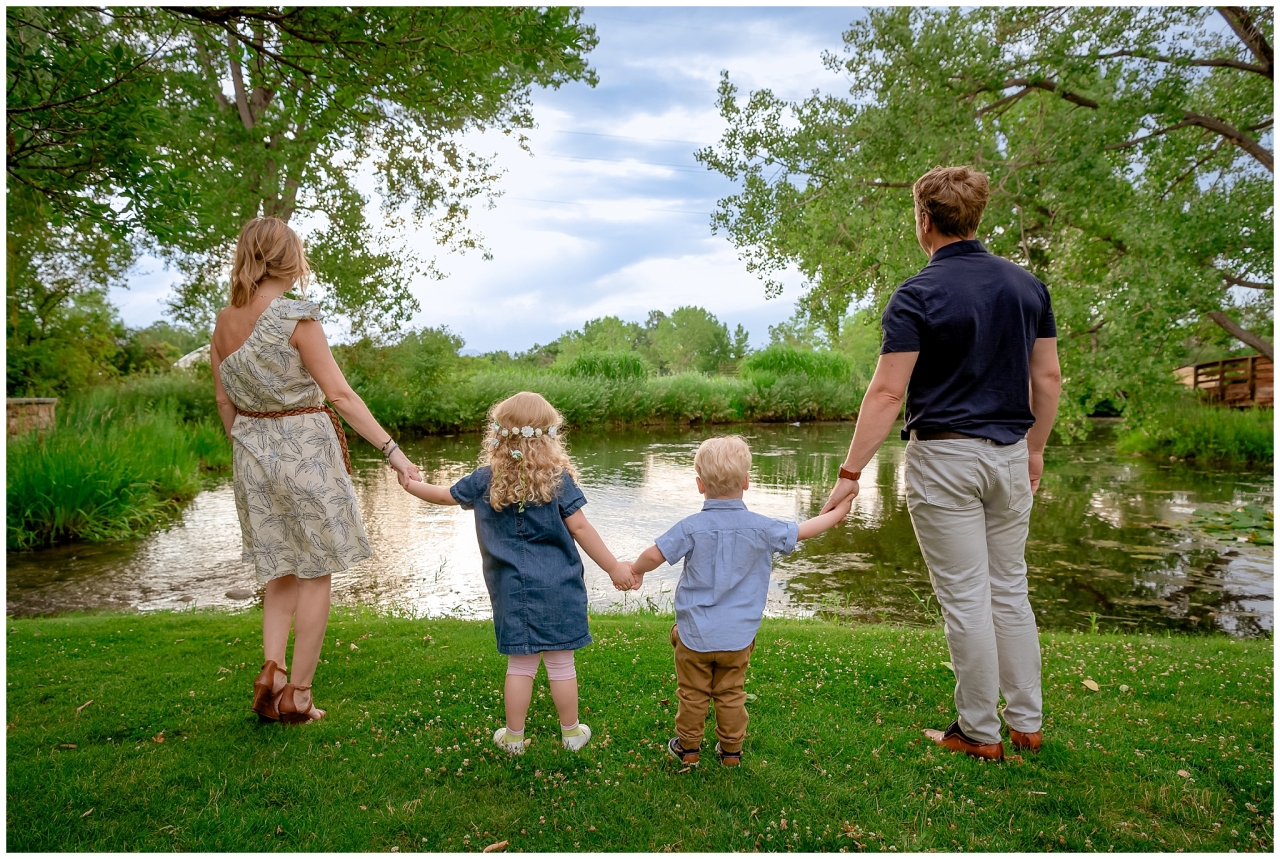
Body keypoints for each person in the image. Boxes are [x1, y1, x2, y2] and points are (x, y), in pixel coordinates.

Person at [820, 166, 1063, 761]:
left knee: (966, 598)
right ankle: (1026, 724)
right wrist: (1034, 450)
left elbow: (885, 393)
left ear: (925, 221)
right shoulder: (1027, 287)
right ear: (975, 218)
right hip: (1009, 456)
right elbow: (1048, 378)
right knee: (1009, 589)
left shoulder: (918, 294)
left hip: (946, 457)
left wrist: (850, 474)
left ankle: (978, 732)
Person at [211, 217, 421, 725]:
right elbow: (341, 396)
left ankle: (273, 674)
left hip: (251, 450)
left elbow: (224, 401)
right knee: (314, 572)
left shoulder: (224, 321)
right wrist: (392, 451)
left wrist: (252, 444)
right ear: (290, 259)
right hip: (304, 446)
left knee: (279, 570)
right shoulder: (295, 318)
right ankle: (298, 697)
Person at [398, 391, 635, 754]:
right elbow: (582, 529)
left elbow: (443, 495)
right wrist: (615, 567)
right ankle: (571, 734)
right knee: (561, 662)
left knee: (521, 665)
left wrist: (410, 482)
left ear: (499, 434)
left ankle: (513, 737)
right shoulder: (557, 480)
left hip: (512, 589)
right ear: (549, 437)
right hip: (559, 585)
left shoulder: (484, 480)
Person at [628, 435, 852, 767]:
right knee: (731, 693)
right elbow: (806, 529)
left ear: (699, 485)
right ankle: (731, 752)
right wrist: (841, 509)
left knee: (692, 693)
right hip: (738, 637)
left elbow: (653, 554)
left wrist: (635, 572)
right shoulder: (763, 528)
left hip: (694, 635)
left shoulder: (692, 527)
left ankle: (688, 749)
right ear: (747, 481)